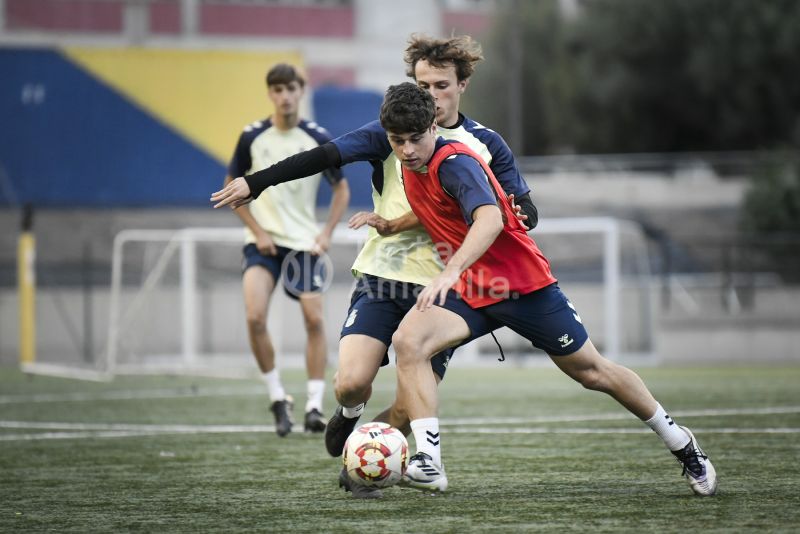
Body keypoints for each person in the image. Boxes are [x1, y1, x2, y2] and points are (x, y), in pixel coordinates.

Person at [212, 36, 537, 497]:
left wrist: (523, 214)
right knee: (350, 384)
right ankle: (348, 417)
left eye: (440, 85)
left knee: (407, 408)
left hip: (445, 289)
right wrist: (257, 182)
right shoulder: (392, 131)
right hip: (384, 275)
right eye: (421, 84)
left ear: (462, 85)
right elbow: (323, 157)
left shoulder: (485, 144)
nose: (430, 94)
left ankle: (368, 457)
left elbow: (522, 207)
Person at [377, 82, 717, 497]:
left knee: (593, 373)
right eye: (398, 141)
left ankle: (681, 443)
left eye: (416, 139)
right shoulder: (409, 165)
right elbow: (433, 205)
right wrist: (393, 225)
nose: (408, 149)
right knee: (408, 343)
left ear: (434, 126)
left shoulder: (456, 163)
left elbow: (489, 221)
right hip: (470, 287)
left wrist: (451, 271)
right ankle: (430, 463)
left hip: (520, 284)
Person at [224, 63, 350, 437]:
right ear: (270, 94)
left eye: (291, 89)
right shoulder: (252, 137)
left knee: (313, 321)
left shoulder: (317, 136)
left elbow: (340, 188)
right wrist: (257, 230)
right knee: (254, 317)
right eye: (277, 90)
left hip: (303, 246)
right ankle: (278, 397)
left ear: (300, 91)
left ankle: (313, 404)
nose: (285, 96)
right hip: (263, 245)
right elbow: (233, 186)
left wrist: (326, 231)